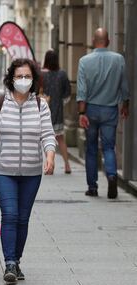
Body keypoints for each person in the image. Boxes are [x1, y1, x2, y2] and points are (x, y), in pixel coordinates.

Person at [0, 58, 56, 285]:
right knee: (10, 215)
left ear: (33, 80)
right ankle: (10, 262)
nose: (23, 80)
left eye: (27, 76)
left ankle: (17, 259)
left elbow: (48, 134)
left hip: (32, 172)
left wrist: (50, 155)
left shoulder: (41, 105)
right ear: (11, 79)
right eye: (19, 76)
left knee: (23, 218)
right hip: (3, 170)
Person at [77, 28, 130, 199]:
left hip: (91, 110)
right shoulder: (118, 60)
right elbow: (124, 85)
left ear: (94, 41)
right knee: (109, 146)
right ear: (108, 41)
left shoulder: (84, 61)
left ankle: (92, 187)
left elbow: (81, 90)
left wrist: (81, 113)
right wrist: (125, 104)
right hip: (110, 109)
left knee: (91, 148)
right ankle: (112, 175)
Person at [42, 50, 72, 174]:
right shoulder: (62, 74)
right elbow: (67, 93)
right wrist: (61, 102)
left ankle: (49, 165)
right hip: (58, 110)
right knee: (60, 139)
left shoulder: (43, 75)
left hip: (45, 110)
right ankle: (67, 165)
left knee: (46, 139)